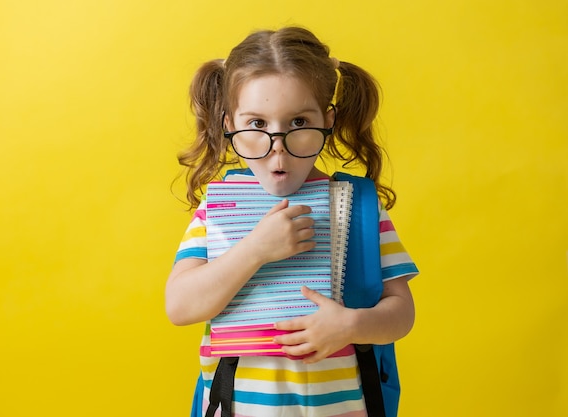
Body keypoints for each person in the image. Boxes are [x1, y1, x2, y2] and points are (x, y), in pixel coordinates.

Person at [166, 26, 419, 417]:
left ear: (327, 119)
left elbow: (401, 313)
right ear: (230, 124)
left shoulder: (358, 208)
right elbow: (180, 306)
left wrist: (351, 326)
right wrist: (254, 249)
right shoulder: (218, 209)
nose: (277, 149)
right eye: (257, 125)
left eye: (299, 122)